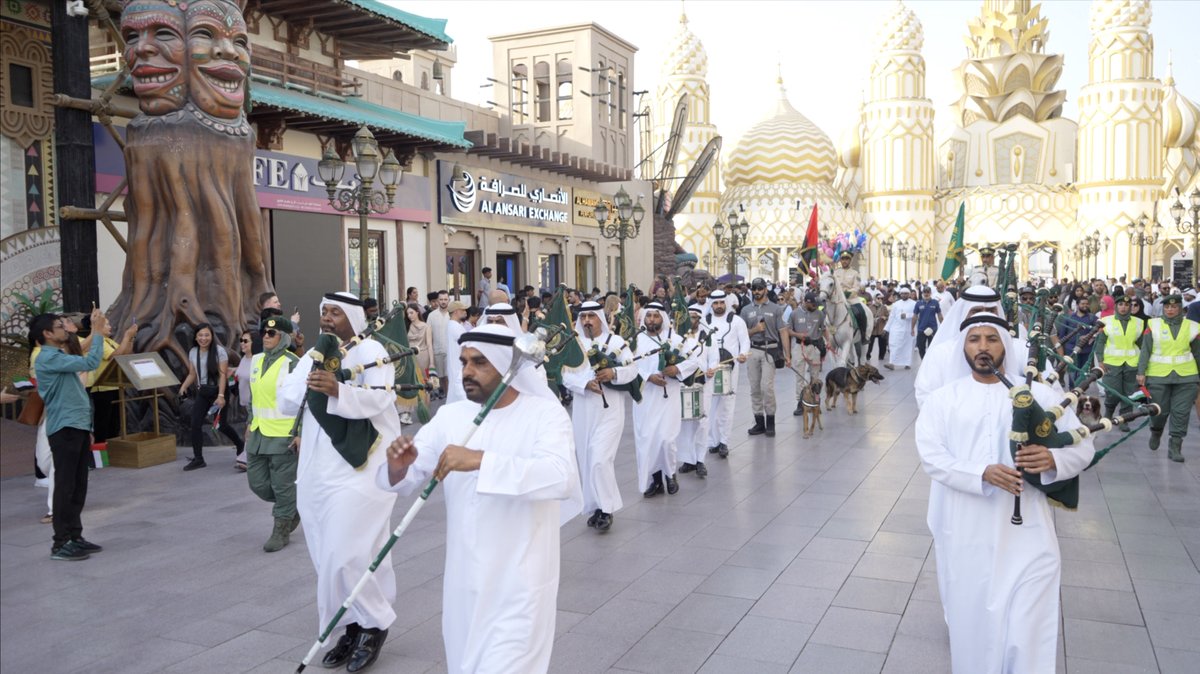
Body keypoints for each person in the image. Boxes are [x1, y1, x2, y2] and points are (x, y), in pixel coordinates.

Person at [379, 325, 581, 674]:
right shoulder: (451, 416)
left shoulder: (545, 415)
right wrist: (398, 466)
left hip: (520, 584)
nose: (467, 371)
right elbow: (408, 476)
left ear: (505, 364)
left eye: (479, 362)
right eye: (463, 362)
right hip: (464, 582)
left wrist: (480, 460)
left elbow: (560, 476)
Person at [916, 313, 1095, 674]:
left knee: (1029, 630)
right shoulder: (943, 400)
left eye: (992, 339)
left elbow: (1083, 446)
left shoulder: (1041, 395)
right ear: (964, 347)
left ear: (1005, 346)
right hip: (967, 533)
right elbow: (931, 456)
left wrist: (1053, 459)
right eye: (974, 339)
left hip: (1029, 535)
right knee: (974, 630)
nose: (983, 347)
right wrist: (981, 472)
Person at [278, 292, 402, 672]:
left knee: (346, 552)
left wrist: (339, 390)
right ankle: (351, 625)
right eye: (324, 312)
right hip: (318, 469)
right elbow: (287, 400)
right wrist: (313, 376)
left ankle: (375, 624)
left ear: (352, 317)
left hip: (362, 467)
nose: (327, 318)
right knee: (326, 552)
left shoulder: (372, 352)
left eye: (335, 312)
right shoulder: (314, 354)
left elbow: (381, 400)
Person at [32, 309, 109, 561]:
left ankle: (75, 536)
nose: (65, 328)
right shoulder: (47, 357)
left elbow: (75, 393)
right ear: (47, 333)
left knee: (78, 486)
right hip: (64, 429)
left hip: (76, 426)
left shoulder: (60, 355)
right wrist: (97, 331)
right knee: (65, 486)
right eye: (59, 325)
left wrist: (87, 428)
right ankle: (60, 542)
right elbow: (91, 362)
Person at [562, 301, 639, 531]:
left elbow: (632, 369)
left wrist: (613, 372)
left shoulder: (616, 342)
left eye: (591, 316)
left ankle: (607, 508)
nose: (586, 320)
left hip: (610, 411)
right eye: (583, 316)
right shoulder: (573, 345)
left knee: (599, 459)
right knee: (587, 460)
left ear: (600, 318)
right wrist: (584, 384)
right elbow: (564, 374)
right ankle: (595, 506)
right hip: (583, 411)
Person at [244, 317, 301, 552]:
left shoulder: (293, 364)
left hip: (283, 435)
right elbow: (253, 395)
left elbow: (304, 401)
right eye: (264, 333)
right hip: (258, 433)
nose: (265, 337)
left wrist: (299, 432)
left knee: (282, 484)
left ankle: (281, 530)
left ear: (284, 337)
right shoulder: (256, 360)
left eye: (271, 333)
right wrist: (249, 421)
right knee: (257, 483)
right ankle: (292, 505)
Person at [632, 302, 697, 497]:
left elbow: (694, 361)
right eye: (648, 315)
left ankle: (670, 474)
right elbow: (629, 366)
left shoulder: (676, 339)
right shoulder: (636, 341)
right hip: (645, 399)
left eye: (656, 316)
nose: (651, 319)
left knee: (667, 439)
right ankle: (656, 480)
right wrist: (648, 377)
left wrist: (677, 369)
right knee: (649, 440)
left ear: (663, 318)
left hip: (669, 398)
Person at [914, 286, 1004, 408]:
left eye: (991, 311)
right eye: (976, 311)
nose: (984, 316)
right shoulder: (941, 352)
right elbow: (925, 396)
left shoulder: (1014, 348)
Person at [1136, 294, 1200, 462]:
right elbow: (1145, 350)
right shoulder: (1153, 324)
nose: (1170, 310)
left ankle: (1175, 446)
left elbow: (1198, 353)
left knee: (1181, 412)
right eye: (1167, 307)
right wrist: (1141, 372)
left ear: (1180, 308)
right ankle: (1156, 431)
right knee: (1159, 411)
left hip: (1187, 376)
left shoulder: (1193, 327)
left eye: (1174, 307)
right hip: (1158, 375)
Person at [177, 323, 244, 471]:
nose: (204, 338)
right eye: (200, 335)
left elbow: (222, 375)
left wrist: (221, 396)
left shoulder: (219, 352)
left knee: (221, 425)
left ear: (212, 336)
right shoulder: (193, 352)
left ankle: (240, 444)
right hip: (203, 392)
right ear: (195, 337)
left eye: (207, 335)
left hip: (218, 391)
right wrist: (184, 386)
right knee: (195, 424)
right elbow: (192, 373)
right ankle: (198, 459)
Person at [703, 289, 750, 458]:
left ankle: (724, 442)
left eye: (721, 302)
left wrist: (743, 354)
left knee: (727, 405)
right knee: (709, 405)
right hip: (709, 370)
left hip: (730, 369)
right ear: (711, 304)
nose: (719, 305)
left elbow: (745, 341)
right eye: (715, 303)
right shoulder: (704, 321)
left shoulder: (737, 321)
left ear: (726, 303)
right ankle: (713, 442)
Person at [739, 278, 786, 436]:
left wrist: (787, 354)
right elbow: (741, 334)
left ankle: (770, 421)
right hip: (753, 350)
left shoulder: (776, 308)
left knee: (767, 387)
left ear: (765, 289)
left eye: (760, 288)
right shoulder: (745, 310)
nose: (757, 291)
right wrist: (755, 330)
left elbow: (783, 331)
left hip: (770, 350)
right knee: (754, 388)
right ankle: (759, 422)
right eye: (754, 288)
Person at [677, 303, 718, 478]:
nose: (691, 321)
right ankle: (688, 459)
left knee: (702, 421)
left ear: (699, 319)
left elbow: (714, 358)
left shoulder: (708, 336)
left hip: (703, 384)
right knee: (685, 423)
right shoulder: (679, 337)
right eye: (689, 317)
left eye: (694, 318)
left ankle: (700, 460)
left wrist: (711, 369)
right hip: (683, 384)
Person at [1094, 295, 1144, 432]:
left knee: (1129, 392)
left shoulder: (1139, 322)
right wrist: (1100, 360)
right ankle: (1109, 412)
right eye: (1120, 304)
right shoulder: (1106, 321)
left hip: (1132, 362)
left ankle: (1124, 419)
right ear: (1116, 306)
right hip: (1111, 362)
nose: (1124, 307)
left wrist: (1143, 364)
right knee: (1112, 391)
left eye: (1127, 305)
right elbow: (1100, 342)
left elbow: (1141, 344)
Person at [784, 292, 827, 417]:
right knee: (800, 377)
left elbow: (824, 329)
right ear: (806, 302)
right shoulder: (794, 313)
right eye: (813, 305)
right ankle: (800, 404)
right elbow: (788, 330)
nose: (815, 307)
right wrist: (798, 335)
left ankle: (815, 403)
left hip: (814, 347)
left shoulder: (819, 313)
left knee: (815, 377)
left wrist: (828, 342)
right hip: (799, 347)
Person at [884, 286, 917, 370]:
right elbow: (891, 317)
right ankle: (892, 363)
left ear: (909, 294)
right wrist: (886, 329)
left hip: (908, 329)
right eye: (902, 294)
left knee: (908, 347)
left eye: (906, 294)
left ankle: (907, 363)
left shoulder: (914, 304)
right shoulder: (896, 304)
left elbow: (917, 315)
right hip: (896, 328)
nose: (904, 295)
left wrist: (907, 315)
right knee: (893, 345)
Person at [444, 300, 470, 404]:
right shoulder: (455, 326)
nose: (465, 312)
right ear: (456, 312)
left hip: (456, 364)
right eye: (462, 310)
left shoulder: (453, 325)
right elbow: (467, 344)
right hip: (458, 365)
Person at [427, 290, 450, 398]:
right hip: (437, 351)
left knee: (449, 377)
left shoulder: (453, 314)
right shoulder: (431, 316)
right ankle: (445, 396)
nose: (443, 301)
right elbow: (429, 336)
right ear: (437, 300)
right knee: (441, 377)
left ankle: (450, 398)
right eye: (441, 299)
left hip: (450, 351)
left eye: (445, 299)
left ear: (449, 300)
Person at [912, 287, 943, 359]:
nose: (926, 294)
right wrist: (912, 328)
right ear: (922, 293)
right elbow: (915, 316)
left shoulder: (935, 302)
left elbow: (939, 315)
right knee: (920, 347)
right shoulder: (918, 303)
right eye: (924, 292)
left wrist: (943, 326)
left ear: (930, 293)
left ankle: (930, 361)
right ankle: (923, 360)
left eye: (928, 292)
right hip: (921, 329)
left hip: (933, 328)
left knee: (932, 347)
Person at [867, 291, 889, 362]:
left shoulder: (884, 307)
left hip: (881, 328)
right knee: (869, 344)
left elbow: (888, 316)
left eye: (881, 298)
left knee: (882, 344)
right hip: (872, 328)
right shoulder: (870, 307)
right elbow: (867, 317)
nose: (880, 300)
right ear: (875, 299)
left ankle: (881, 356)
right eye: (878, 298)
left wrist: (885, 317)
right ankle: (867, 356)